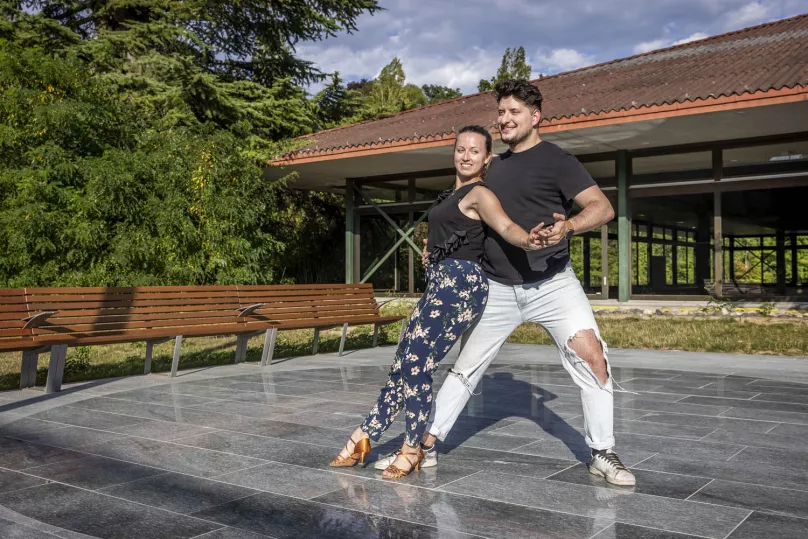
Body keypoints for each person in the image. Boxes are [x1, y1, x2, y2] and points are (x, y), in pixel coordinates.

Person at [379, 79, 636, 486]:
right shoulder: (490, 166)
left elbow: (601, 207)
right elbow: (460, 212)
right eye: (501, 112)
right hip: (496, 286)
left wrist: (568, 226)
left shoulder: (558, 160)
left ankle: (602, 452)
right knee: (464, 369)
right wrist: (439, 245)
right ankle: (424, 445)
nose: (505, 119)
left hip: (553, 284)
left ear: (536, 116)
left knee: (593, 358)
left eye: (514, 112)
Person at [329, 124, 546, 479]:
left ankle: (412, 448)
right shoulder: (450, 194)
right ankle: (364, 435)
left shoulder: (480, 194)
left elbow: (506, 227)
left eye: (475, 151)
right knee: (403, 364)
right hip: (439, 284)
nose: (466, 156)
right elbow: (454, 234)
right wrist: (434, 252)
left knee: (417, 364)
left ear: (486, 158)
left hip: (460, 287)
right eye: (461, 149)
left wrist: (529, 240)